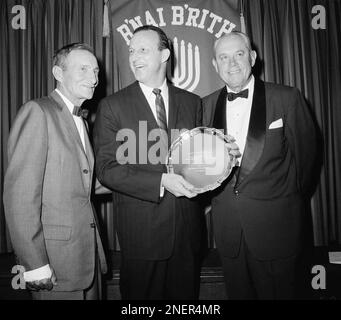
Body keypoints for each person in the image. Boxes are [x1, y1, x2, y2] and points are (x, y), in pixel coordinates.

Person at [93, 25, 207, 300]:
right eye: (131, 51)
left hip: (187, 235)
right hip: (141, 237)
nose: (134, 57)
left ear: (164, 54)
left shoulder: (192, 102)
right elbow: (107, 170)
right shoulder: (112, 106)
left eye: (143, 50)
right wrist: (161, 181)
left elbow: (198, 161)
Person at [202, 31, 317, 299]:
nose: (232, 64)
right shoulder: (205, 105)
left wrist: (284, 202)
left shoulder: (287, 98)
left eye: (239, 54)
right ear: (215, 65)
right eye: (224, 57)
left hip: (277, 230)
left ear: (252, 57)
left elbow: (307, 162)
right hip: (230, 234)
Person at [3, 43, 108, 300]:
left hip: (87, 258)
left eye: (95, 71)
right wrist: (34, 263)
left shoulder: (81, 120)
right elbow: (20, 196)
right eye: (83, 69)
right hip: (54, 264)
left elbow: (84, 183)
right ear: (58, 74)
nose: (93, 79)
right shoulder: (38, 112)